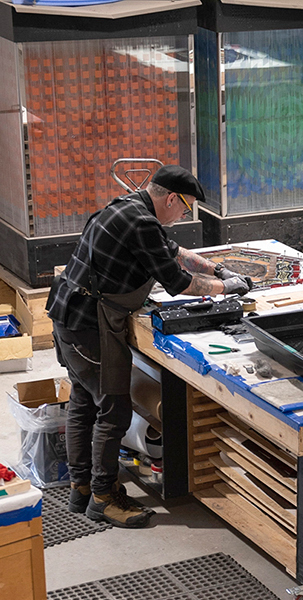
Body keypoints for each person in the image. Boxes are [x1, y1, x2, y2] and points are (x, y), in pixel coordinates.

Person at [48, 165, 249, 528]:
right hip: (90, 324)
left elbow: (174, 252)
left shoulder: (128, 208)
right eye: (185, 208)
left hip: (68, 316)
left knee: (82, 400)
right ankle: (104, 498)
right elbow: (177, 281)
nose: (184, 215)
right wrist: (226, 290)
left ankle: (82, 488)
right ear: (171, 198)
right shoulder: (142, 223)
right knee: (113, 410)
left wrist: (218, 270)